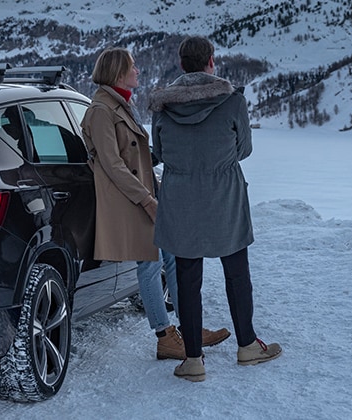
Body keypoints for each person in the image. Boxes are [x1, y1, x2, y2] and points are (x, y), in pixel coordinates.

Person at [80, 48, 229, 361]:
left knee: (172, 259)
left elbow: (141, 155)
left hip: (147, 195)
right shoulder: (100, 110)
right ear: (118, 72)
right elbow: (113, 164)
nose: (138, 70)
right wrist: (147, 200)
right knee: (149, 266)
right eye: (133, 66)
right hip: (130, 201)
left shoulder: (122, 104)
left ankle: (190, 326)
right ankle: (164, 336)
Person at [149, 36, 282, 382]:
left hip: (179, 199)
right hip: (224, 196)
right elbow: (244, 149)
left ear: (182, 65)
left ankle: (193, 359)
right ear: (211, 62)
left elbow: (159, 152)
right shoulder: (232, 101)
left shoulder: (162, 107)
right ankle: (247, 346)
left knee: (187, 279)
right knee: (237, 273)